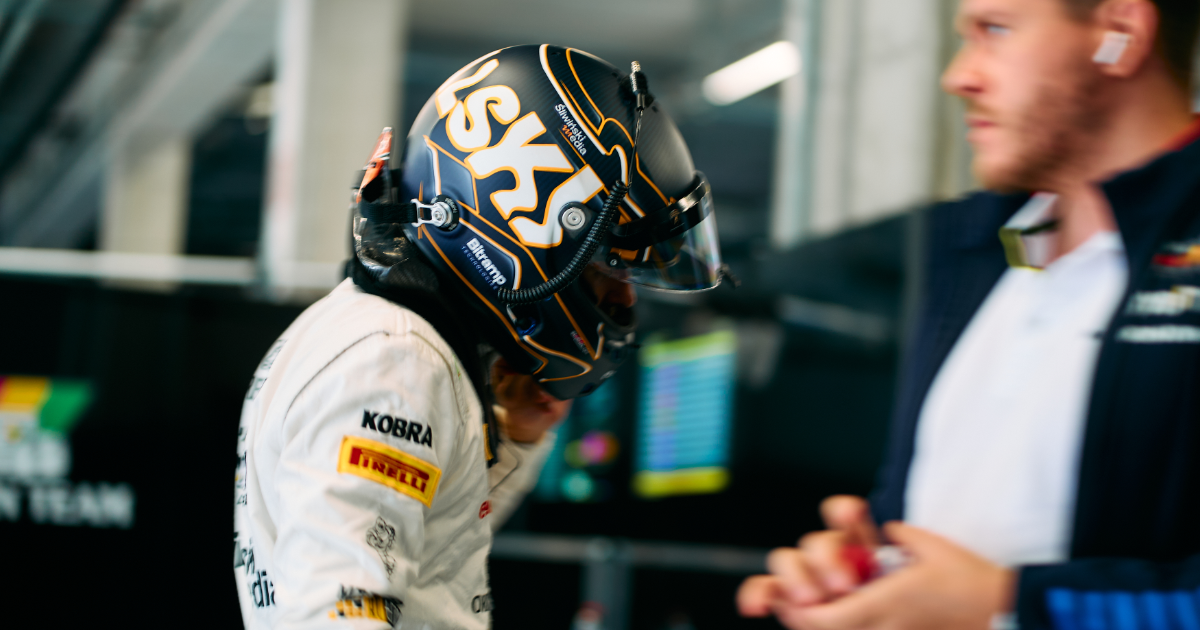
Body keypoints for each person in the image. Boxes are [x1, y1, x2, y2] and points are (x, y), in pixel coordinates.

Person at [739, 0, 1200, 628]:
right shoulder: (973, 255)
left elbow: (987, 597)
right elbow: (944, 553)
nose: (958, 76)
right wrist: (866, 570)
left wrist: (1010, 604)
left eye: (996, 30)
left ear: (1120, 31)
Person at [234, 44, 726, 629]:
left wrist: (515, 438)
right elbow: (336, 615)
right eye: (612, 271)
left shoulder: (382, 339)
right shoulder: (394, 362)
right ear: (527, 235)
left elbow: (430, 554)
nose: (625, 302)